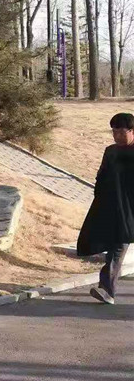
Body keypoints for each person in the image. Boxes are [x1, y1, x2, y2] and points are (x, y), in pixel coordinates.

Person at [77, 112, 134, 305]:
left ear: (132, 131)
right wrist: (100, 200)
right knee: (117, 247)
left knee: (118, 247)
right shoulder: (111, 152)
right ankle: (107, 290)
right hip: (116, 208)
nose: (117, 136)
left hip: (131, 208)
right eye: (114, 132)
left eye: (121, 132)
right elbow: (101, 176)